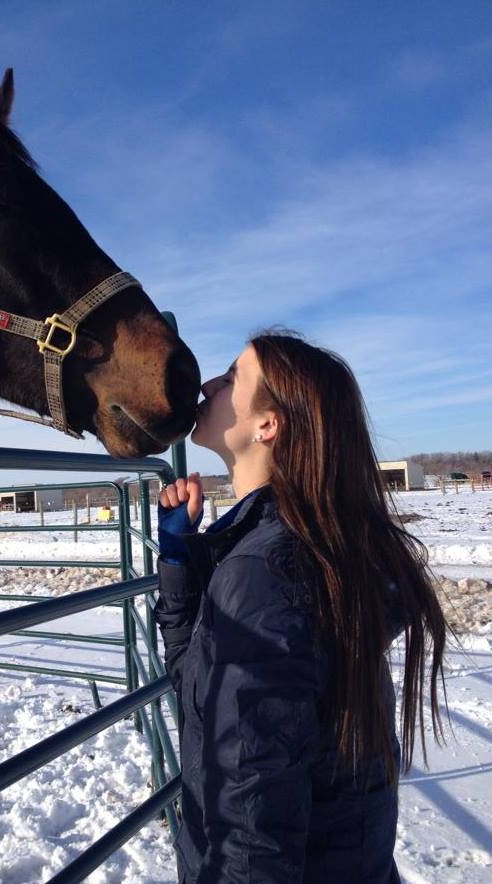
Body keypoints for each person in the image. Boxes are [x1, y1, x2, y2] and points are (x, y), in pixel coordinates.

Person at [155, 331, 447, 883]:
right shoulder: (311, 554)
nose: (208, 386)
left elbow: (250, 833)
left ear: (268, 425)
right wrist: (180, 562)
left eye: (232, 377)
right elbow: (201, 687)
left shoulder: (265, 576)